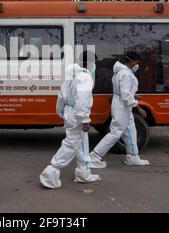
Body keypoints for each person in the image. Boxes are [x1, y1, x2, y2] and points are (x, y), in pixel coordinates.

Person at [40, 53, 101, 189]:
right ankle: (51, 172)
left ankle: (83, 173)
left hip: (70, 113)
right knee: (71, 143)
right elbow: (83, 99)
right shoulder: (85, 77)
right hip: (77, 115)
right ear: (90, 63)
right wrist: (85, 119)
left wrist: (62, 111)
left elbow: (61, 96)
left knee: (81, 142)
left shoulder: (71, 75)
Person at [89, 51, 150, 169]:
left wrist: (134, 96)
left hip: (122, 105)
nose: (138, 63)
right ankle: (94, 157)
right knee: (115, 133)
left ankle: (132, 157)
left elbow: (122, 91)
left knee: (130, 130)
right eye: (137, 61)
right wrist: (138, 107)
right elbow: (125, 95)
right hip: (122, 106)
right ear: (131, 61)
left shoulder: (120, 72)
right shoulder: (125, 74)